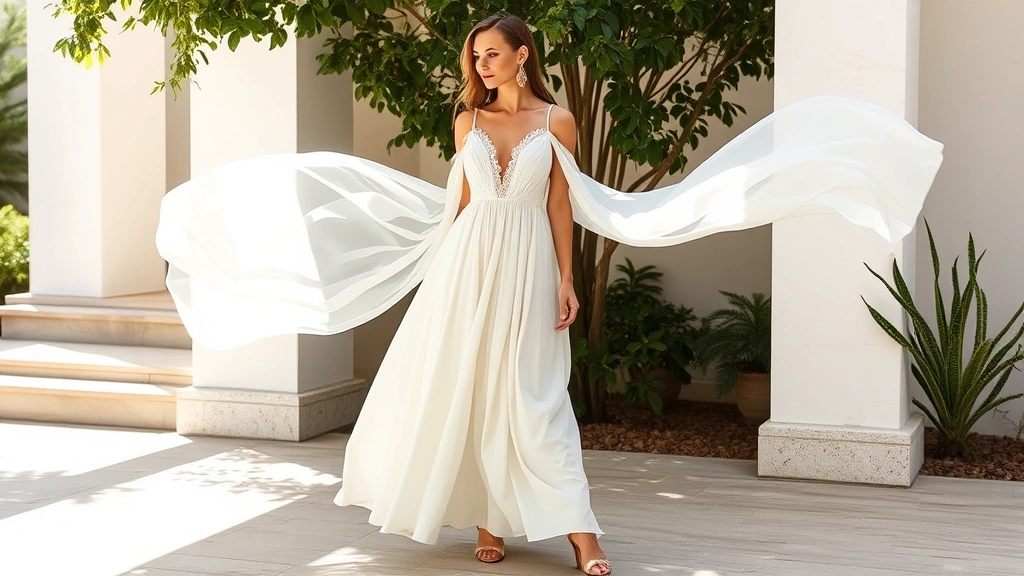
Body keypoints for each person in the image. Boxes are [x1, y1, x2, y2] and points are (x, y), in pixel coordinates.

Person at [154, 11, 944, 576]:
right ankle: (490, 520)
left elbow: (560, 201)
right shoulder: (463, 119)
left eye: (493, 54)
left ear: (524, 56)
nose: (482, 65)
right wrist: (432, 273)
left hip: (529, 262)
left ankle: (580, 533)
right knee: (471, 392)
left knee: (533, 397)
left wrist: (566, 277)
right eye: (477, 57)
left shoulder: (559, 122)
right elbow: (458, 205)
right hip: (468, 265)